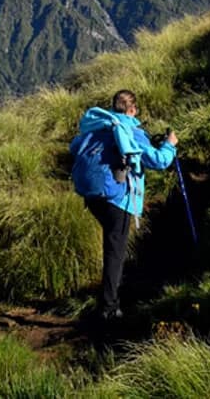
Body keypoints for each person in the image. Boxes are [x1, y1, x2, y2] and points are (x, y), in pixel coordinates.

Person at [71, 89, 178, 323]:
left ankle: (108, 300)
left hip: (93, 196)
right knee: (115, 253)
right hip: (117, 197)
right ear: (132, 109)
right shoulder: (131, 130)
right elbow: (159, 161)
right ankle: (108, 309)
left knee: (112, 246)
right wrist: (170, 145)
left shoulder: (99, 126)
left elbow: (74, 147)